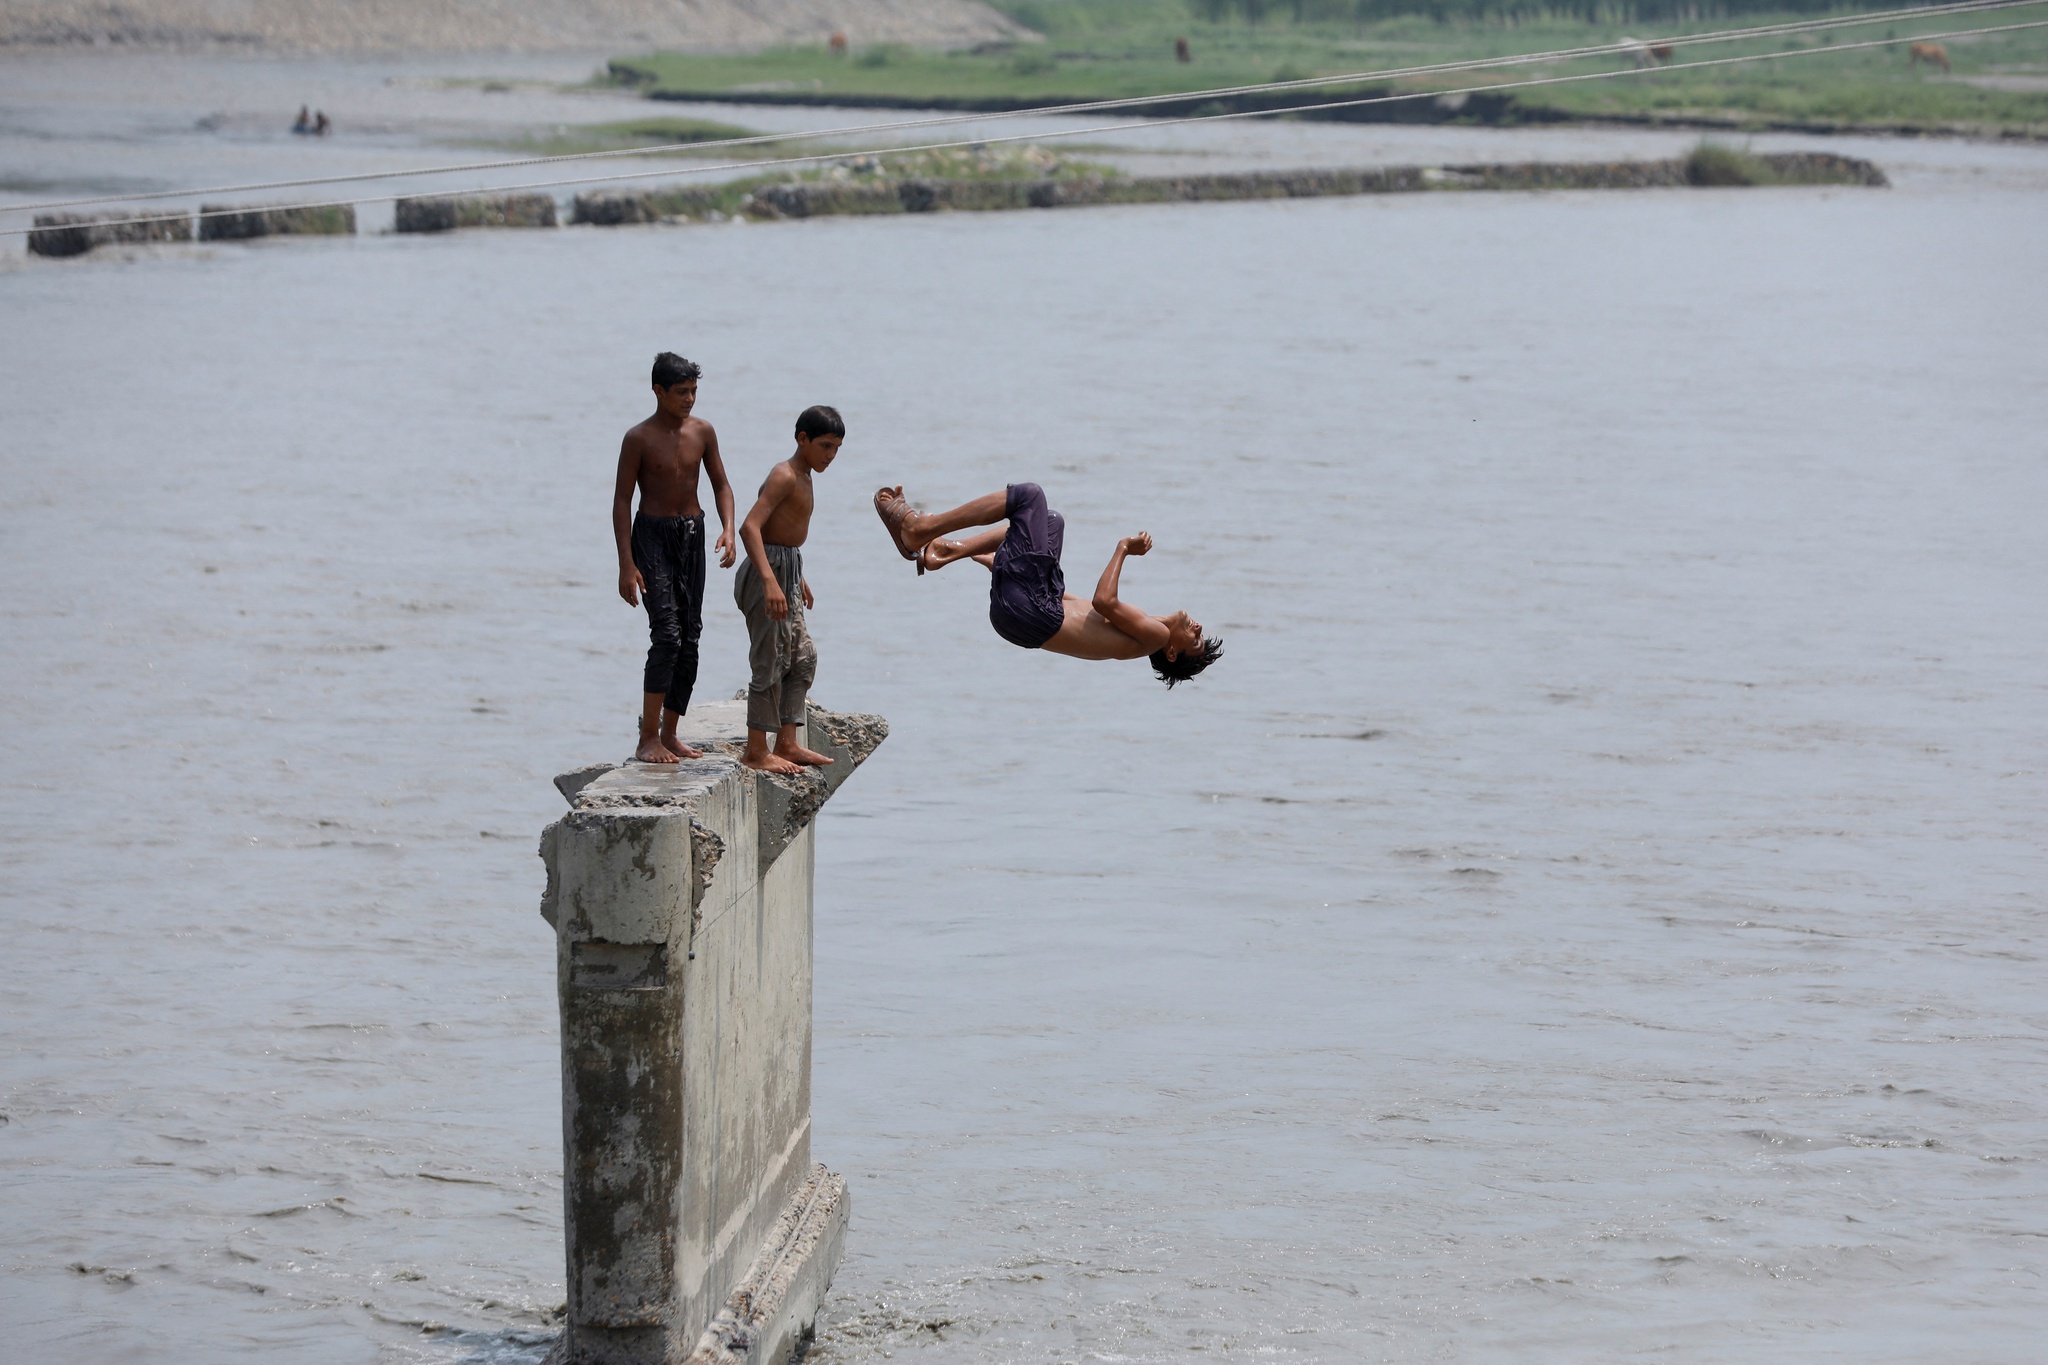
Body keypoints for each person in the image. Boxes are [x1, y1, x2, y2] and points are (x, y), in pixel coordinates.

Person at [874, 483, 1222, 685]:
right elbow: (1076, 604)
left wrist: (1123, 549)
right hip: (1028, 615)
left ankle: (923, 529)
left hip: (1034, 613)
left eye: (1195, 639)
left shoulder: (1155, 638)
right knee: (1050, 522)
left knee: (1030, 498)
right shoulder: (1144, 629)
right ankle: (950, 550)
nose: (1197, 628)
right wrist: (989, 561)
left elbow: (1103, 601)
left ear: (1172, 652)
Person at [614, 353, 736, 764]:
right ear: (658, 392)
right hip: (651, 536)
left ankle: (670, 733)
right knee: (666, 633)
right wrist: (625, 565)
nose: (689, 399)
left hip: (692, 534)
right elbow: (622, 500)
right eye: (681, 392)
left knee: (691, 634)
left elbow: (721, 483)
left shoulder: (703, 431)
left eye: (694, 391)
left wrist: (728, 529)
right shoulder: (638, 438)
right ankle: (647, 736)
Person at [733, 407, 844, 774]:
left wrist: (797, 579)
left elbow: (785, 533)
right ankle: (755, 751)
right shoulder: (785, 474)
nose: (830, 455)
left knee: (802, 657)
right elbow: (750, 528)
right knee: (770, 659)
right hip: (767, 571)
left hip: (788, 569)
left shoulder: (806, 476)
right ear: (802, 439)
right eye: (825, 445)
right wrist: (769, 580)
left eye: (836, 448)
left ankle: (787, 742)